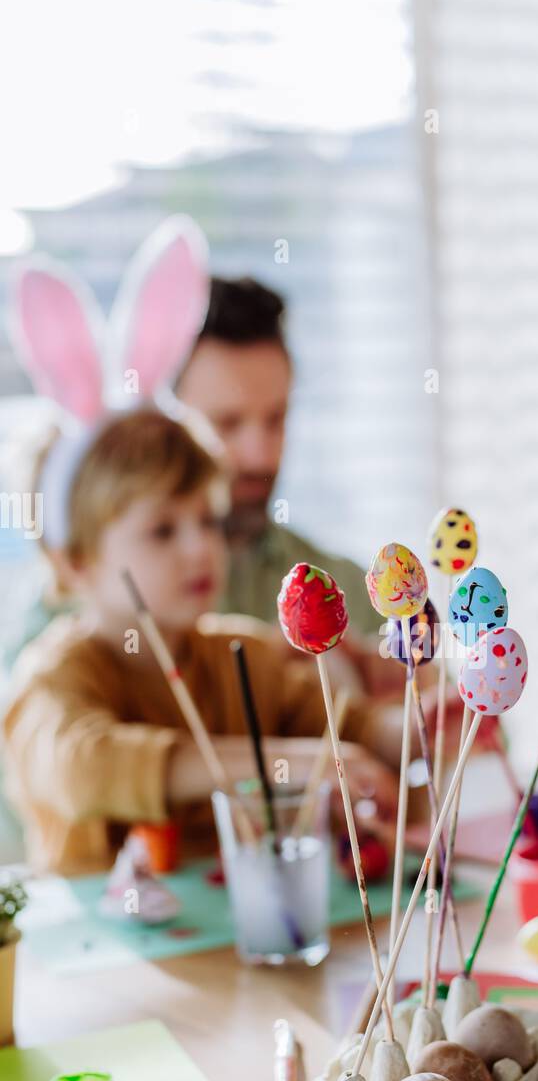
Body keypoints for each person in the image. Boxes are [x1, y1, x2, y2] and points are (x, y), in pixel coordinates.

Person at [3, 408, 400, 874]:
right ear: (76, 562)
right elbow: (82, 768)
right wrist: (286, 763)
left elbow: (346, 730)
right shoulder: (52, 678)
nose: (200, 549)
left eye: (210, 521)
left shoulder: (242, 654)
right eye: (162, 530)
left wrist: (416, 726)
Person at [174, 275, 382, 639]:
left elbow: (430, 692)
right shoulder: (96, 608)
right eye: (227, 424)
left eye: (276, 419)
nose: (260, 457)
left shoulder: (353, 602)